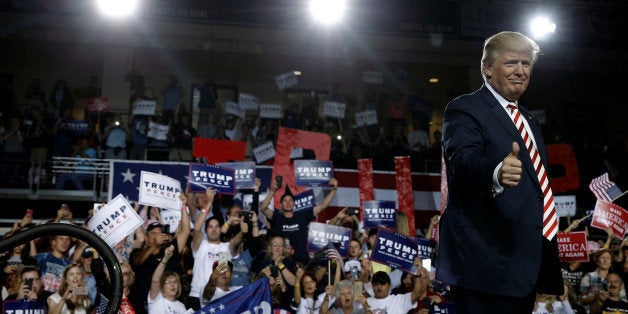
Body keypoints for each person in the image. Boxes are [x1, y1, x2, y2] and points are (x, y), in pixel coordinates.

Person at [435, 31, 564, 313]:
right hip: (484, 264)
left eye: (526, 63)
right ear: (488, 68)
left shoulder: (529, 119)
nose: (520, 71)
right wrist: (495, 172)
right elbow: (463, 160)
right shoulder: (465, 108)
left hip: (523, 265)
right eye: (511, 63)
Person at [188, 188, 247, 310]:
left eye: (216, 227)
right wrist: (209, 202)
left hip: (218, 298)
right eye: (210, 227)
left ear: (221, 229)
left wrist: (243, 232)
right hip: (195, 296)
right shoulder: (201, 245)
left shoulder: (225, 248)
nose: (214, 229)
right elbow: (197, 228)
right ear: (206, 230)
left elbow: (237, 241)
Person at [260, 177, 339, 264]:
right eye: (285, 201)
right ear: (281, 204)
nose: (288, 202)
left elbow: (323, 205)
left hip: (301, 261)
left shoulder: (303, 216)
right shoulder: (277, 217)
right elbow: (263, 208)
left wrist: (334, 189)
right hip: (280, 261)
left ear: (294, 203)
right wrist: (273, 191)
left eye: (290, 200)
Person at [148, 245, 188, 313]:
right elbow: (155, 280)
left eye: (175, 282)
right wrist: (166, 258)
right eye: (168, 282)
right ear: (162, 286)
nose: (173, 284)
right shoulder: (157, 298)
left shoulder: (181, 307)